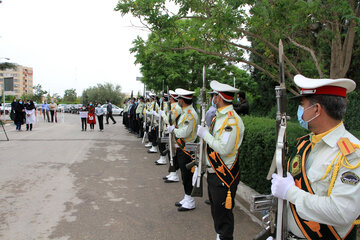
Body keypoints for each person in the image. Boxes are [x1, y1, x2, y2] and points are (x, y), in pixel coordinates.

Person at [270, 75, 360, 240]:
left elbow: (342, 213)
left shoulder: (352, 154)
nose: (300, 111)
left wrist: (291, 192)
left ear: (317, 109)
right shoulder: (306, 143)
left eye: (302, 105)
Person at [197, 81, 245, 240]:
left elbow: (224, 149)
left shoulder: (231, 121)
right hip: (214, 173)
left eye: (213, 95)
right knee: (217, 213)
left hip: (223, 175)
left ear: (219, 97)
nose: (212, 98)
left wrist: (206, 135)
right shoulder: (219, 117)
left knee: (223, 217)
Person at [167, 88, 199, 211]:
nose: (178, 101)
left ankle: (190, 201)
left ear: (183, 100)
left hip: (187, 148)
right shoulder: (186, 112)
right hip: (183, 146)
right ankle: (187, 197)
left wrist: (173, 130)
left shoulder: (189, 114)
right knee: (184, 176)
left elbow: (185, 132)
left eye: (179, 98)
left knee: (187, 176)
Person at [161, 90, 182, 183]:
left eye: (169, 97)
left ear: (172, 97)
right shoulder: (173, 107)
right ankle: (172, 172)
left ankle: (174, 174)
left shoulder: (176, 108)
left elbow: (169, 120)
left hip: (173, 133)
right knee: (170, 152)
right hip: (170, 132)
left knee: (173, 153)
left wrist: (163, 115)